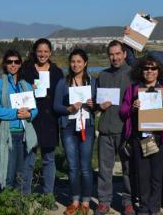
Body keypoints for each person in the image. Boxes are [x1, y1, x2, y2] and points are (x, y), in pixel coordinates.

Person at [120, 55, 163, 215]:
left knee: (157, 176)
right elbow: (122, 112)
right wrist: (132, 107)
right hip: (139, 138)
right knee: (142, 175)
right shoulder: (133, 89)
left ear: (159, 71)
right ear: (140, 71)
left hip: (159, 138)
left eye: (153, 68)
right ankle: (144, 207)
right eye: (146, 68)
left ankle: (155, 207)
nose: (149, 71)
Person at [53, 48, 97, 215]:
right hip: (69, 128)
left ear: (85, 63)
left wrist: (94, 105)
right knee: (72, 167)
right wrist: (68, 108)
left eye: (79, 61)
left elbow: (97, 105)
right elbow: (56, 106)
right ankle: (75, 200)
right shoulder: (63, 83)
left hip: (87, 126)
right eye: (73, 61)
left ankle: (86, 202)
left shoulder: (92, 82)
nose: (75, 64)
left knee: (85, 167)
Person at [20, 38, 64, 202]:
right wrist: (28, 89)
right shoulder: (26, 70)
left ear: (50, 53)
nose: (42, 54)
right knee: (29, 159)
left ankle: (48, 195)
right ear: (35, 52)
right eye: (40, 51)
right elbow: (19, 94)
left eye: (46, 51)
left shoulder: (57, 72)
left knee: (49, 159)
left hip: (50, 119)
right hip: (31, 118)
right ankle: (25, 195)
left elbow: (62, 95)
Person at [0, 50, 39, 194]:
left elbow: (35, 109)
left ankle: (18, 204)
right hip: (8, 135)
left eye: (16, 61)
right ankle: (5, 202)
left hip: (25, 135)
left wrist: (29, 114)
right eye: (10, 61)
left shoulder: (26, 85)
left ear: (20, 64)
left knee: (21, 173)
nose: (13, 64)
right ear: (5, 64)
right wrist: (15, 113)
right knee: (8, 174)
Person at [95, 41, 136, 215]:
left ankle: (128, 201)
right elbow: (96, 105)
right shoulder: (102, 75)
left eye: (118, 53)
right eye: (111, 54)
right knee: (104, 169)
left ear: (125, 54)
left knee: (128, 169)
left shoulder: (134, 75)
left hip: (125, 130)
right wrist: (99, 106)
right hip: (105, 129)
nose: (115, 57)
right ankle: (104, 202)